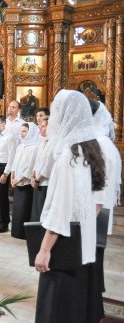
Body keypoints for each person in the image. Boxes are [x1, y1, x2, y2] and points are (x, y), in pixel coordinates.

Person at [35, 89, 106, 322]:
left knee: (56, 308)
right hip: (83, 241)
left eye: (56, 112)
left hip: (63, 246)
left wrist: (45, 249)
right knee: (76, 306)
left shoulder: (69, 156)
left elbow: (60, 210)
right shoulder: (92, 150)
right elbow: (97, 203)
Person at [91, 100, 121, 322]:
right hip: (98, 217)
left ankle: (90, 311)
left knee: (90, 269)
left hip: (92, 216)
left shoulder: (97, 144)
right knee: (93, 267)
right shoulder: (106, 143)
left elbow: (95, 187)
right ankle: (94, 310)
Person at [10, 122, 39, 239]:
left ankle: (23, 233)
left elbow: (30, 167)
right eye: (20, 131)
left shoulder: (34, 147)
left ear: (31, 132)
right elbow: (14, 163)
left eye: (24, 131)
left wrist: (19, 179)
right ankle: (15, 232)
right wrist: (12, 177)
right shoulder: (20, 146)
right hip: (16, 181)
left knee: (24, 209)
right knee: (17, 210)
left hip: (26, 184)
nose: (21, 134)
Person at [30, 119, 50, 222]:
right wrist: (33, 176)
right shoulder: (42, 142)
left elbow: (48, 166)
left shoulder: (52, 143)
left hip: (45, 183)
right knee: (36, 212)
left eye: (43, 126)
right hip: (37, 181)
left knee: (42, 212)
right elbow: (37, 161)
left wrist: (38, 179)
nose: (40, 128)